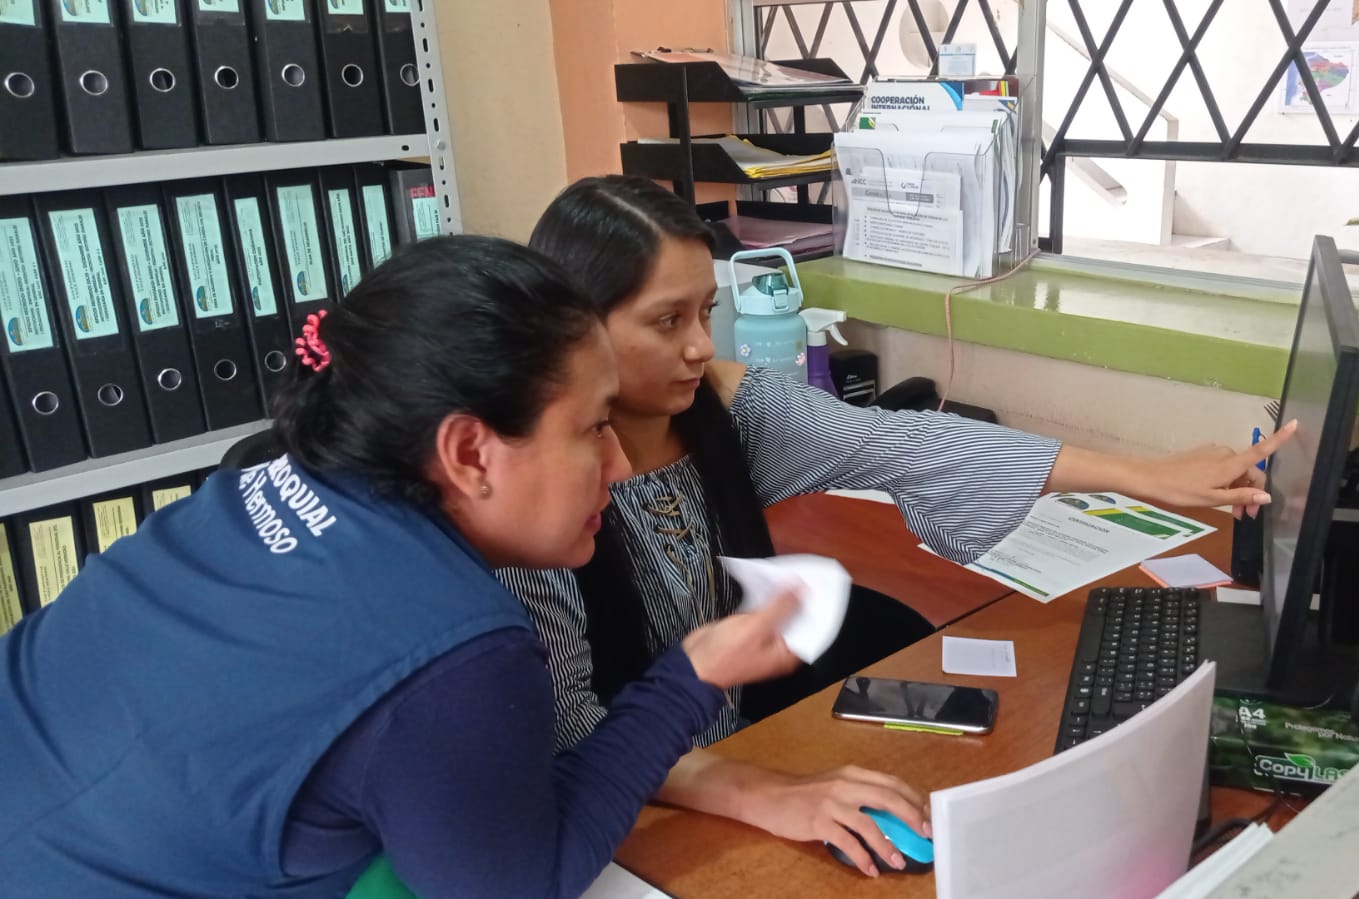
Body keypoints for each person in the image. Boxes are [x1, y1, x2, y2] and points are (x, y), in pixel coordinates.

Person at [500, 175, 1296, 875]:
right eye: (666, 321)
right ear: (577, 330)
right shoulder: (539, 494)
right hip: (633, 810)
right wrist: (761, 791)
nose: (700, 346)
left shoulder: (726, 408)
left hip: (738, 755)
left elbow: (904, 443)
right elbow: (571, 731)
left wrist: (1142, 475)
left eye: (706, 311)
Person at [0, 236, 803, 899]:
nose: (620, 464)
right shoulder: (456, 644)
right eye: (594, 427)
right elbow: (522, 881)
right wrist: (689, 677)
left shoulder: (251, 489)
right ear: (468, 453)